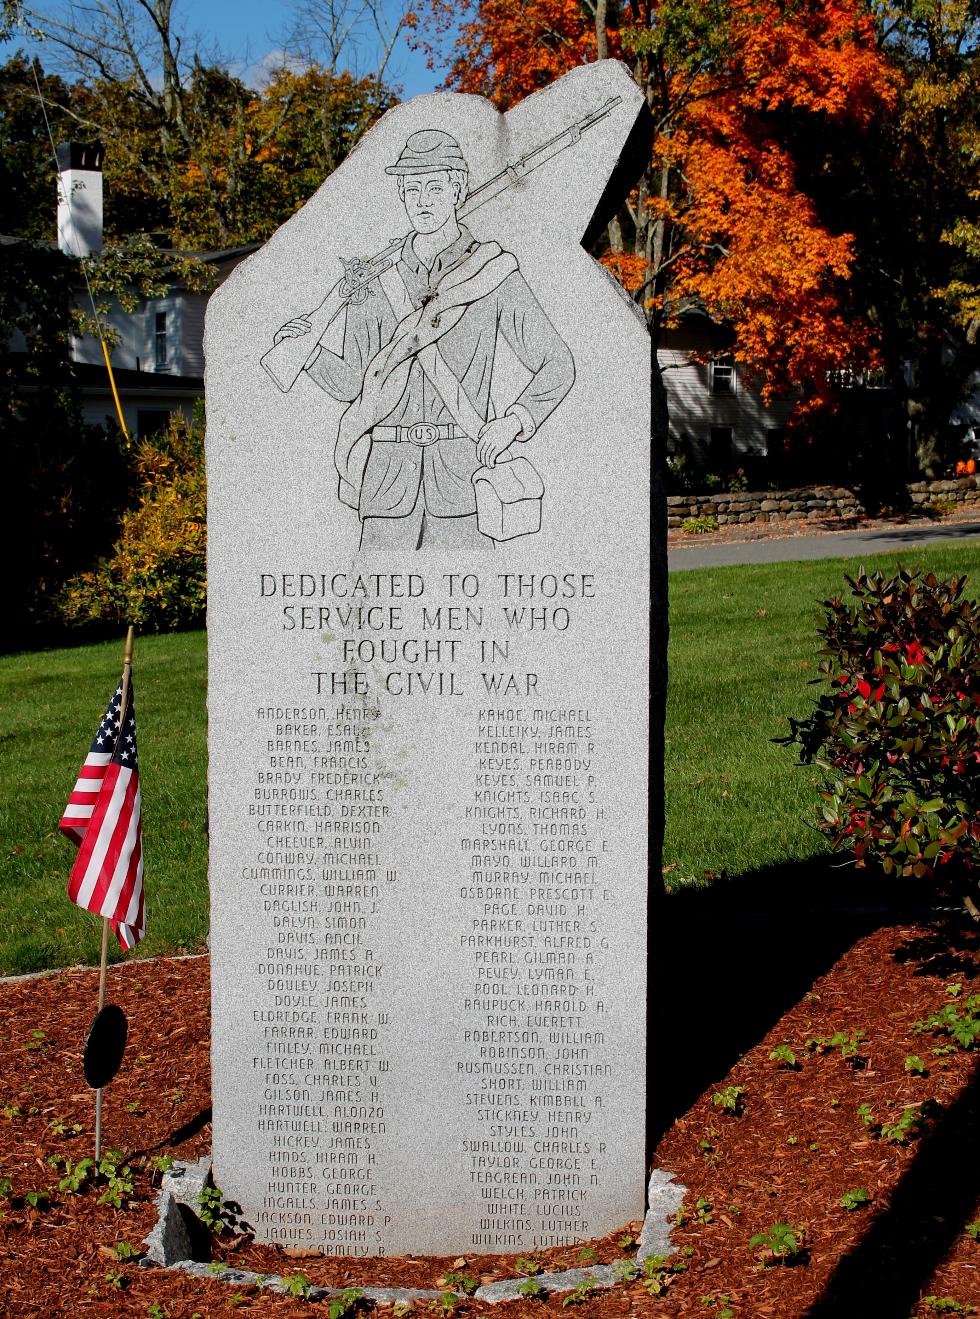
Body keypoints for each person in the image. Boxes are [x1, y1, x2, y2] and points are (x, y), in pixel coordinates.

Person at [274, 129, 574, 550]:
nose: (423, 200)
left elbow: (557, 364)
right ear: (400, 194)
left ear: (457, 189)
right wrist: (306, 353)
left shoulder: (492, 271)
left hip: (464, 479)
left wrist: (514, 422)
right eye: (412, 188)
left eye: (435, 186)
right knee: (372, 614)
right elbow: (353, 384)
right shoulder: (377, 279)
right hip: (385, 483)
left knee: (476, 613)